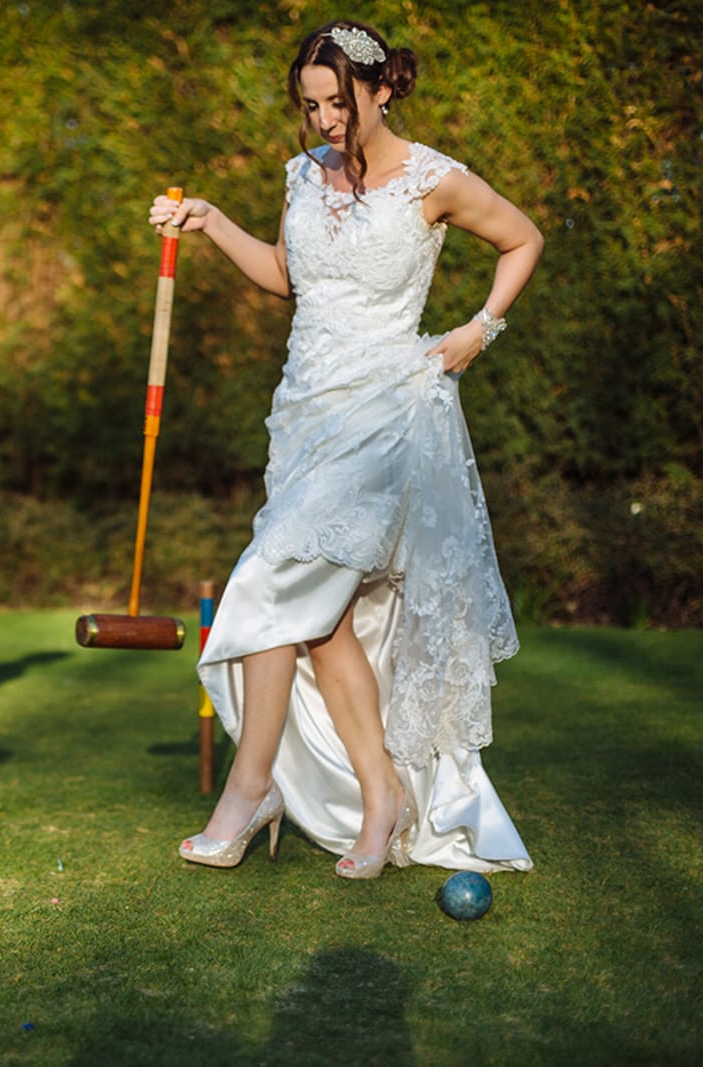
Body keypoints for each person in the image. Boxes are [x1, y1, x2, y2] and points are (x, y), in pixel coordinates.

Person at [154, 20, 542, 878]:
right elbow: (289, 280)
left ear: (382, 89)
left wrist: (481, 328)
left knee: (270, 575)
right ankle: (381, 803)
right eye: (311, 106)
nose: (325, 120)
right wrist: (210, 219)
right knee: (322, 624)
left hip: (386, 415)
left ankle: (247, 791)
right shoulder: (302, 175)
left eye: (338, 102)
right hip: (303, 417)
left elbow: (523, 238)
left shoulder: (434, 179)